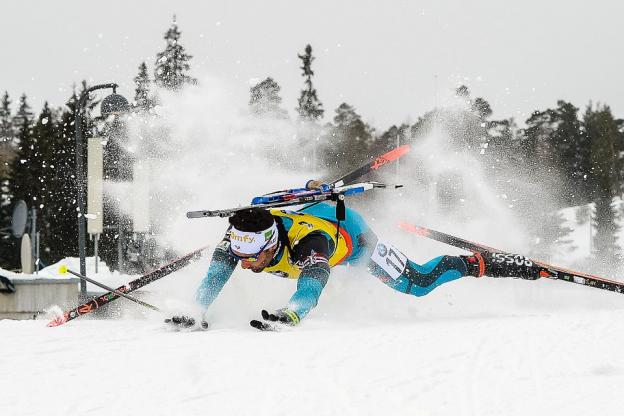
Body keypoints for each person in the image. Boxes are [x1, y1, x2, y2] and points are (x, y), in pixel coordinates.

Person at [168, 180, 542, 329]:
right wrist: (196, 310)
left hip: (354, 240)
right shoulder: (238, 240)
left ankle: (479, 263)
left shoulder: (310, 245)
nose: (245, 259)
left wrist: (293, 312)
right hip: (307, 207)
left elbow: (312, 285)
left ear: (270, 243)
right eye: (239, 249)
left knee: (417, 283)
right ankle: (314, 188)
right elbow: (214, 277)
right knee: (242, 229)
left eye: (253, 251)